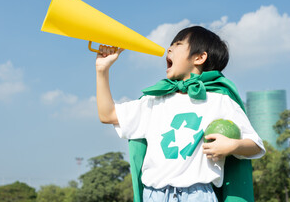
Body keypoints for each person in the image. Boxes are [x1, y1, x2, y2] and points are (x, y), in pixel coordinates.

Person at [96, 26, 265, 202]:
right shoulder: (154, 100)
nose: (169, 49)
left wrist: (233, 146)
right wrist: (102, 70)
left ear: (199, 57)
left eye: (178, 44)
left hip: (198, 195)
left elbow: (255, 145)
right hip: (154, 195)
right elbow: (107, 115)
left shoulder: (220, 100)